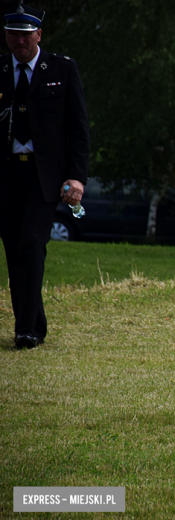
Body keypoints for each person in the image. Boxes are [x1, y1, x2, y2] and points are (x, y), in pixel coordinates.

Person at [0, 1, 89, 349]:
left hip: (44, 178)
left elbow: (78, 129)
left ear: (39, 34)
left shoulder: (62, 69)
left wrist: (77, 177)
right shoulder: (1, 71)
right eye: (12, 35)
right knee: (13, 250)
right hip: (7, 177)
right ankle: (31, 322)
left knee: (32, 244)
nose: (19, 42)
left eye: (25, 35)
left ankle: (26, 329)